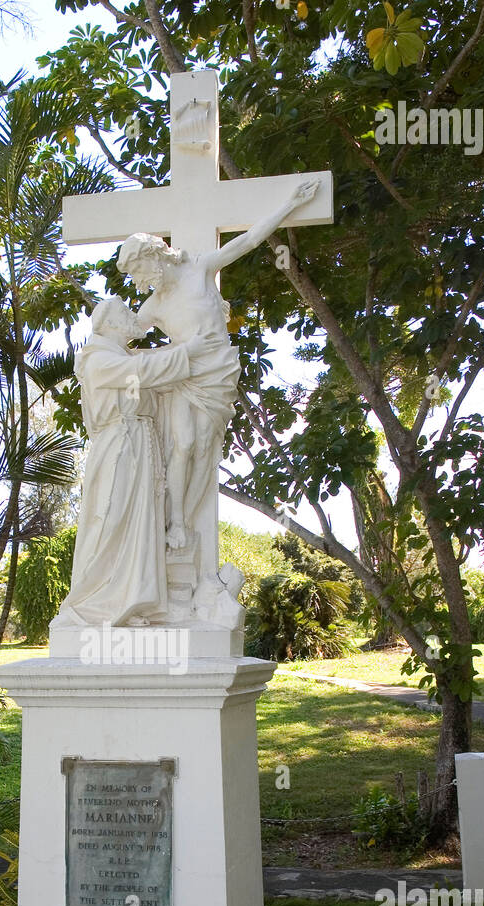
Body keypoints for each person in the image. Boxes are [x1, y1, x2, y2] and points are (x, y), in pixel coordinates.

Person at [117, 177, 320, 617]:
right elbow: (123, 334)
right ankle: (174, 525)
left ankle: (185, 525)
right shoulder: (152, 306)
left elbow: (247, 240)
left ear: (151, 256)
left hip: (216, 373)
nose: (136, 281)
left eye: (135, 271)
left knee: (203, 452)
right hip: (183, 374)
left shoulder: (200, 268)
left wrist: (287, 205)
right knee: (182, 445)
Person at [53, 297, 207, 630]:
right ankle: (92, 602)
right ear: (107, 322)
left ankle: (126, 603)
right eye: (125, 314)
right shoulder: (97, 359)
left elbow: (153, 377)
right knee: (112, 518)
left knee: (141, 524)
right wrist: (187, 350)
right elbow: (140, 372)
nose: (131, 318)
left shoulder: (122, 357)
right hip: (119, 444)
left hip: (140, 442)